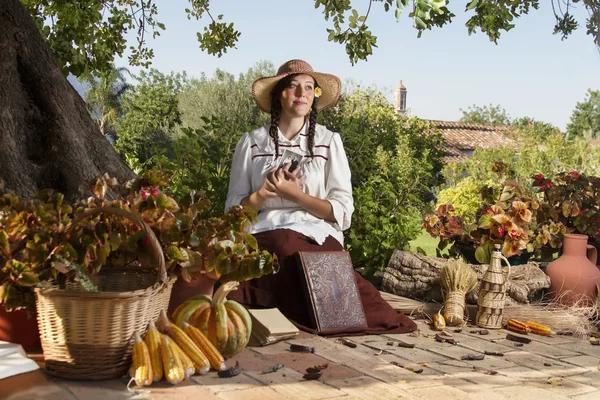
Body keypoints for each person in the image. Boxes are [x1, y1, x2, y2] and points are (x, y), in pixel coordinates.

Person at [224, 59, 417, 335]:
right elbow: (233, 210)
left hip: (314, 232)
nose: (302, 94)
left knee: (305, 255)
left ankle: (313, 316)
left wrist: (297, 196)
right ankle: (290, 317)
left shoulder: (329, 142)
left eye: (309, 88)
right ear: (279, 93)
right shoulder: (252, 143)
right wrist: (261, 196)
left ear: (314, 97)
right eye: (293, 86)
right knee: (277, 246)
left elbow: (341, 211)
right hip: (264, 230)